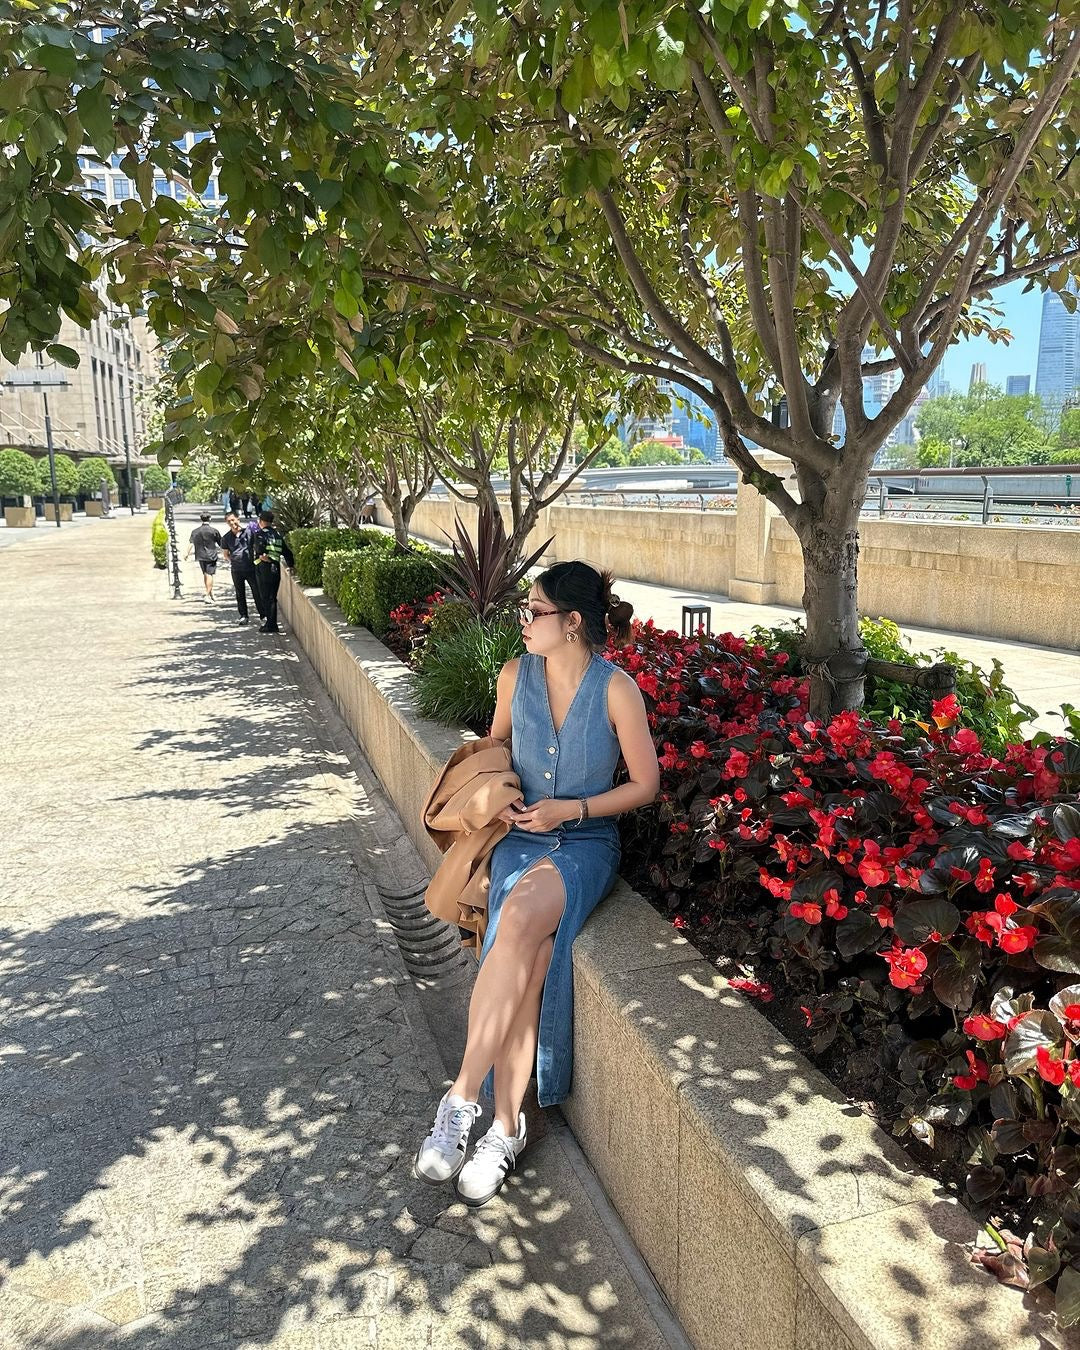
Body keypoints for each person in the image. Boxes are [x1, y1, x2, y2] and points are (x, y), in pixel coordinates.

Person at [413, 562, 660, 1206]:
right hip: (519, 838)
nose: (523, 621)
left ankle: (461, 1097)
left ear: (572, 622)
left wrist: (571, 809)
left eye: (535, 611)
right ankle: (506, 1127)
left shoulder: (616, 690)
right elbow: (493, 749)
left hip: (583, 843)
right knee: (533, 957)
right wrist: (497, 794)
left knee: (519, 920)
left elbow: (645, 784)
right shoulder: (514, 675)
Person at [219, 511, 263, 626]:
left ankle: (263, 615)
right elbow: (225, 554)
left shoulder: (248, 532)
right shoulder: (226, 538)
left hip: (250, 568)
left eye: (233, 520)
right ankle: (243, 616)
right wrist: (234, 560)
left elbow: (257, 544)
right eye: (229, 521)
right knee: (240, 593)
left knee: (256, 592)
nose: (232, 523)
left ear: (238, 519)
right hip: (236, 570)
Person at [251, 509, 291, 633]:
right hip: (275, 568)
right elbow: (287, 552)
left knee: (266, 597)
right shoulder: (277, 535)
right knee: (272, 597)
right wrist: (291, 565)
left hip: (264, 569)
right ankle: (271, 623)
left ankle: (271, 625)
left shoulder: (260, 534)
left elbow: (260, 551)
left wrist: (264, 557)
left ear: (261, 521)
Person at [184, 512, 223, 604]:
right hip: (211, 555)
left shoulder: (195, 531)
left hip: (200, 555)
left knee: (206, 574)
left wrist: (186, 553)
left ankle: (211, 593)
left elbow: (191, 543)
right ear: (210, 518)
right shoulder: (214, 531)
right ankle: (207, 595)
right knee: (209, 574)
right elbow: (221, 543)